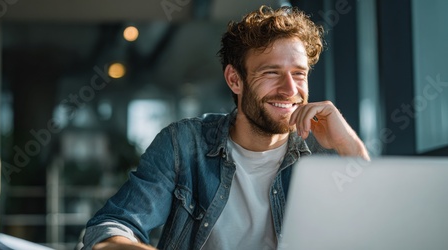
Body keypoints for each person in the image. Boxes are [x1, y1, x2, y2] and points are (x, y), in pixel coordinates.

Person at [82, 5, 369, 250]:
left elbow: (376, 229)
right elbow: (110, 228)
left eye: (299, 74)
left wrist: (351, 147)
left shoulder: (324, 151)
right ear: (235, 80)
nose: (289, 89)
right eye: (271, 73)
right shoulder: (183, 144)